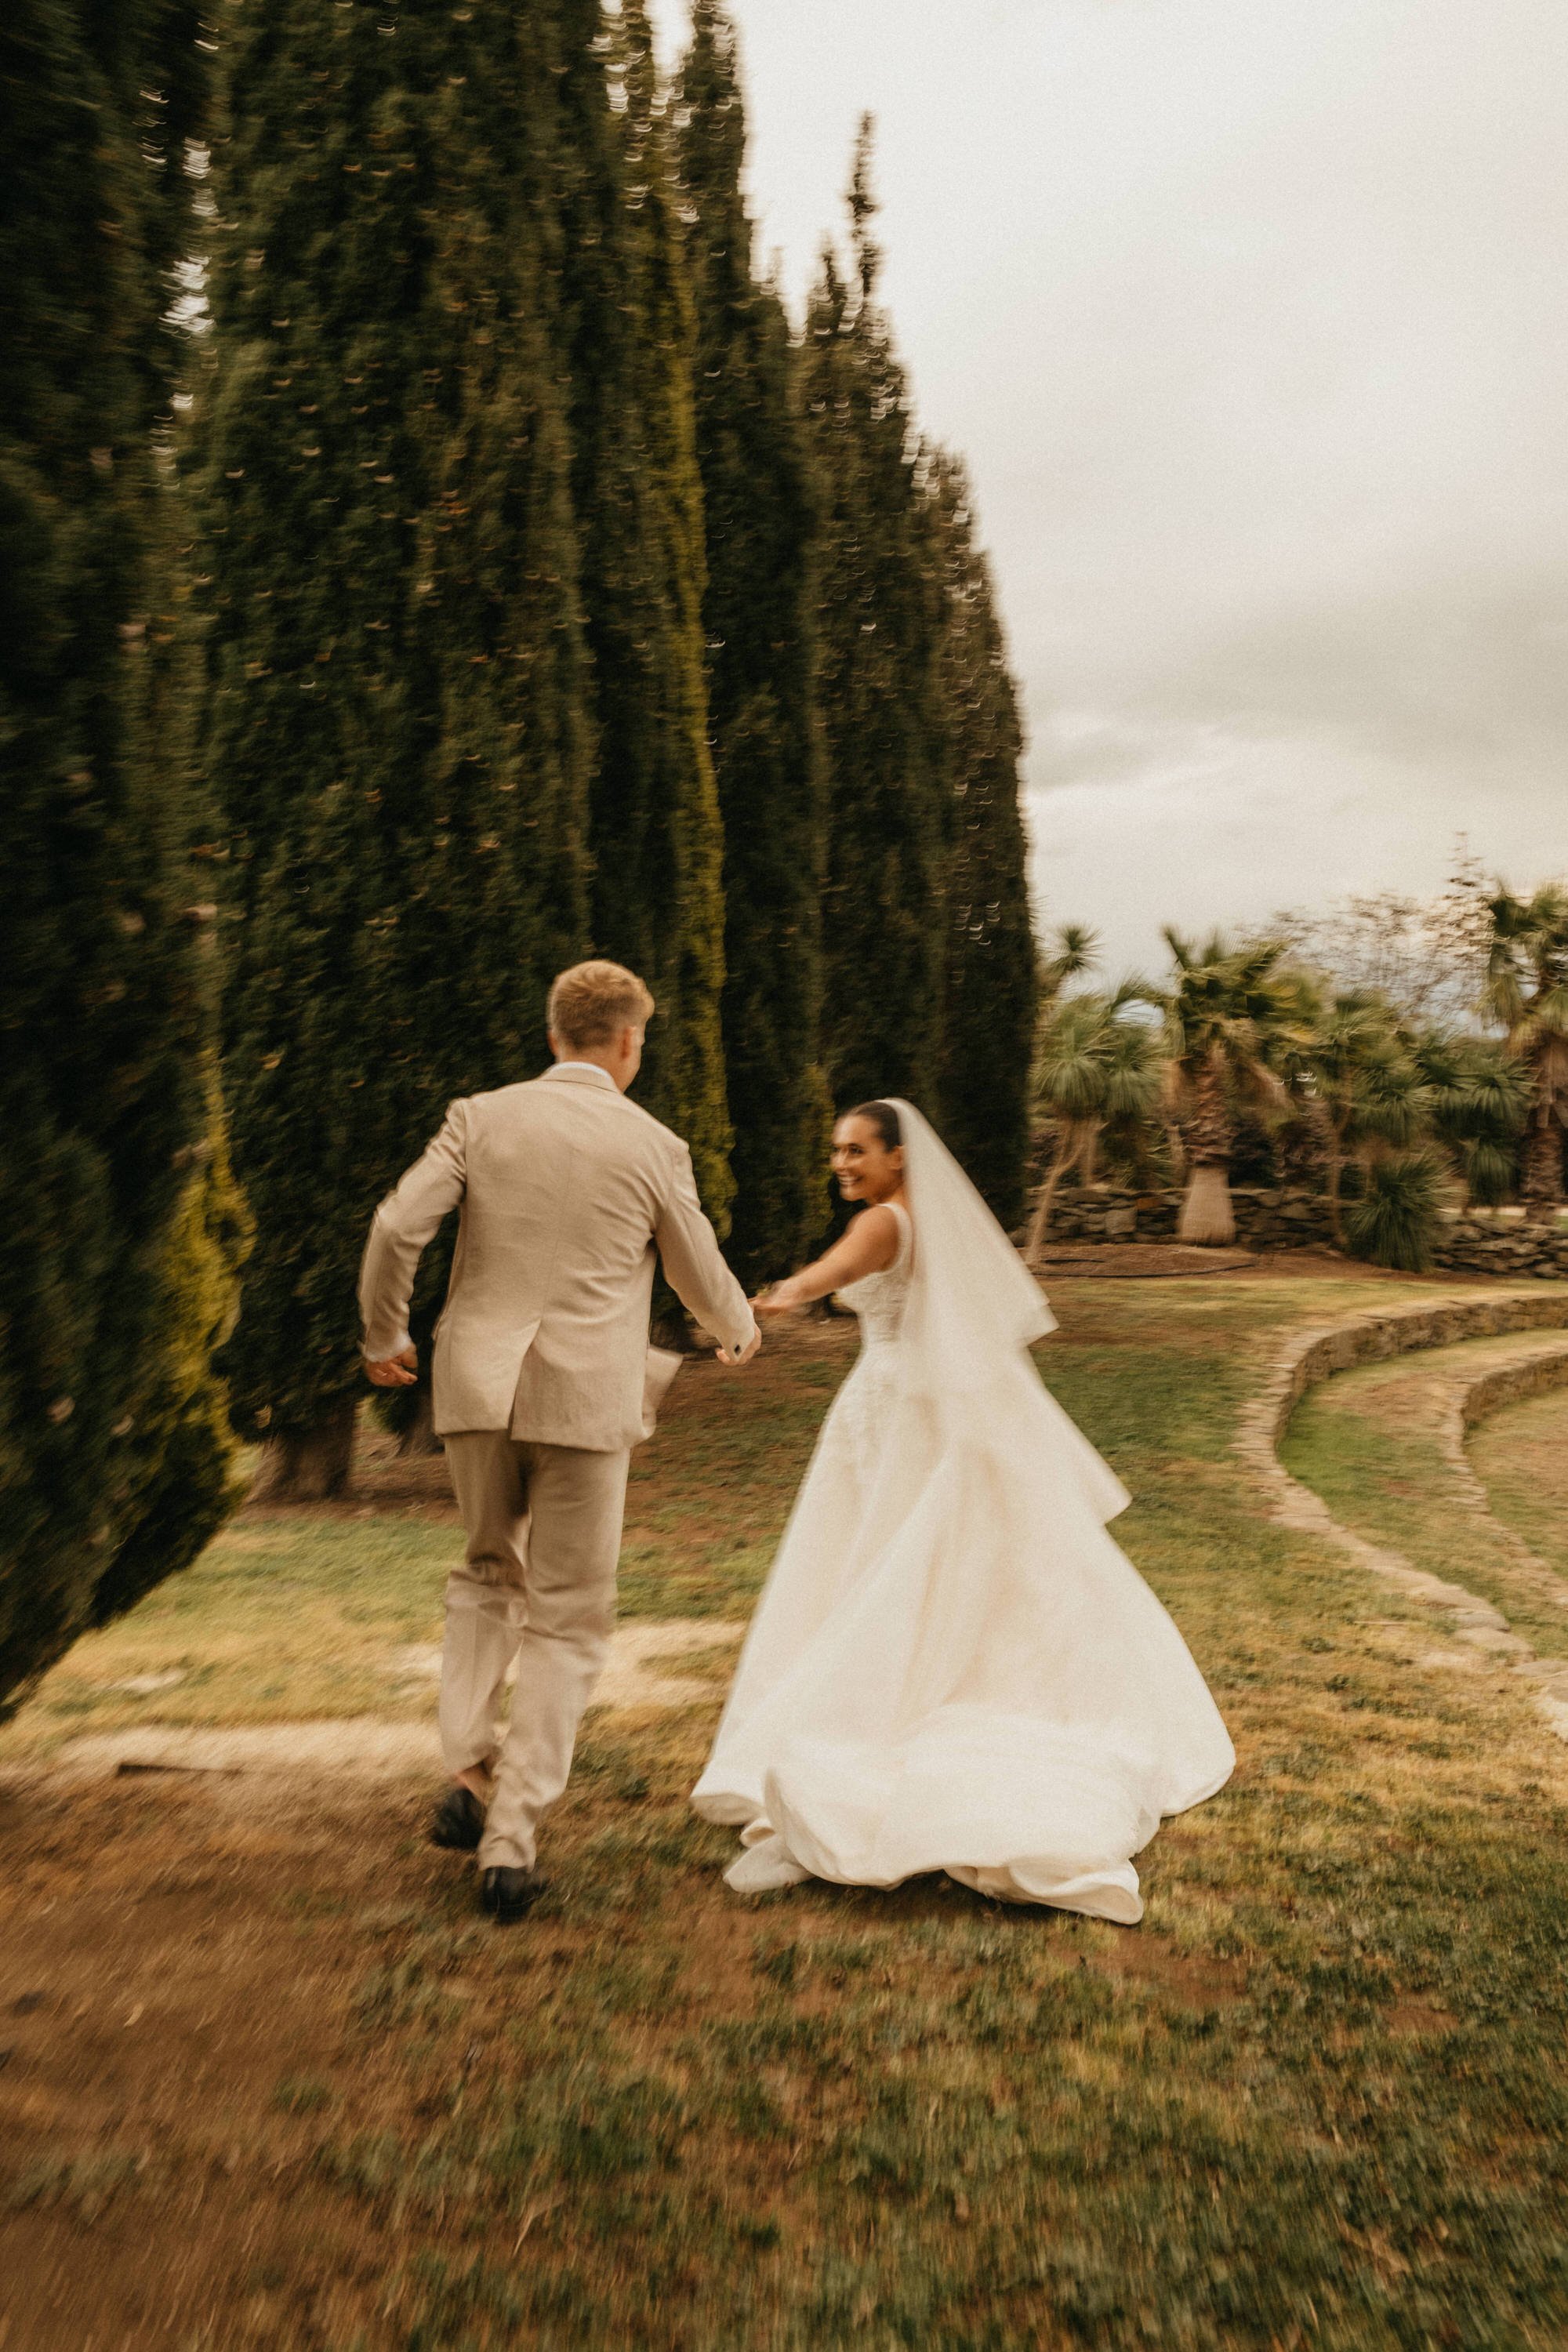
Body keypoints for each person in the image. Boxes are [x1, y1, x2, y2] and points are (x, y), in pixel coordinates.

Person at [691, 1098, 1233, 1924]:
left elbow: (820, 1278)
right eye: (835, 1152)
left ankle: (892, 1704)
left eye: (854, 1151)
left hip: (893, 1408)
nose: (841, 1163)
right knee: (930, 1560)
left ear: (899, 1157)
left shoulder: (881, 1224)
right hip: (921, 1406)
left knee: (879, 1560)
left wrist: (759, 1307)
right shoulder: (919, 1221)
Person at [360, 960, 760, 1922]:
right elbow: (697, 1270)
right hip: (585, 1400)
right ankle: (510, 1839)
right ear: (628, 1042)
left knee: (487, 1575)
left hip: (475, 1390)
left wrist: (385, 1335)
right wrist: (737, 1330)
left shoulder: (479, 1117)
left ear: (553, 1038)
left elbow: (395, 1224)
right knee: (570, 1616)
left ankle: (465, 1764)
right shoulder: (653, 1143)